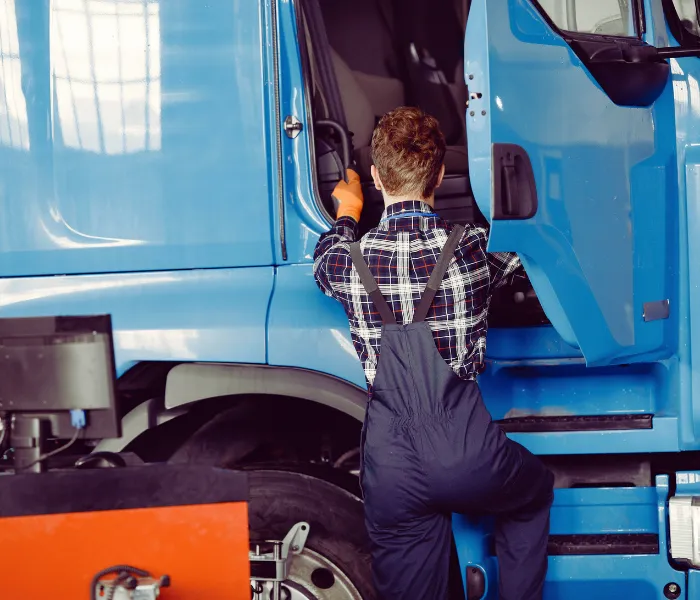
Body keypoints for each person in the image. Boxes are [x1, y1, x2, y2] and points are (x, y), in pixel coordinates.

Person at [313, 106, 554, 600]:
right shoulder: (469, 252)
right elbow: (522, 254)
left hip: (392, 468)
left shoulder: (347, 263)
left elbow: (322, 258)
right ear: (440, 175)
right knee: (533, 492)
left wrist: (346, 214)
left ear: (377, 177)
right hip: (469, 457)